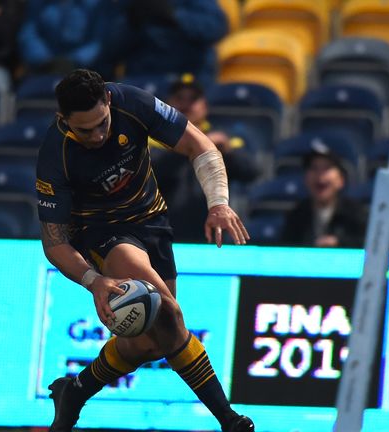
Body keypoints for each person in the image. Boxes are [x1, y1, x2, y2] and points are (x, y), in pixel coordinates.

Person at [35, 69, 253, 432]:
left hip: (153, 222)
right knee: (167, 313)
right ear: (63, 120)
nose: (97, 135)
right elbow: (54, 242)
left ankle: (76, 391)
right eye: (84, 130)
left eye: (101, 124)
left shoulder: (134, 103)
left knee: (149, 344)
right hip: (102, 233)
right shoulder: (55, 155)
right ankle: (229, 420)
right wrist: (94, 281)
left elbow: (200, 146)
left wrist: (218, 203)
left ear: (108, 100)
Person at [152, 74, 262, 242]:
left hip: (214, 237)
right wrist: (191, 146)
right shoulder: (154, 139)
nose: (186, 104)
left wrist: (227, 151)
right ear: (168, 104)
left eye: (193, 99)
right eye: (179, 98)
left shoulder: (223, 140)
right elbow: (154, 169)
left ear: (205, 107)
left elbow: (252, 171)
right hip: (166, 236)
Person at [105, 0, 228, 89]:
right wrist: (131, 23)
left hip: (190, 77)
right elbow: (109, 50)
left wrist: (174, 16)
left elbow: (216, 28)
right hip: (142, 80)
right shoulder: (128, 3)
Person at [279, 141, 367, 248]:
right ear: (305, 179)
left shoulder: (356, 215)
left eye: (327, 168)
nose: (320, 175)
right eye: (314, 168)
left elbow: (369, 246)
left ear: (341, 180)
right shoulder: (296, 216)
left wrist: (340, 243)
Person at [16, 0, 117, 78]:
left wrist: (73, 61)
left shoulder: (98, 4)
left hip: (89, 73)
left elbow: (99, 42)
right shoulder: (39, 3)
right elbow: (28, 34)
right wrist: (45, 60)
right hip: (43, 70)